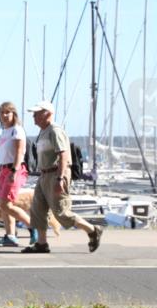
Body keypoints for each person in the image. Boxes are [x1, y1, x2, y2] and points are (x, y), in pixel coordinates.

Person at [22, 100, 102, 254]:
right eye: (34, 113)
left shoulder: (55, 131)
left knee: (61, 211)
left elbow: (64, 154)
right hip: (45, 174)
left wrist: (60, 178)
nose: (34, 116)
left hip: (56, 174)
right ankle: (41, 243)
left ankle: (92, 230)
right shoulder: (43, 132)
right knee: (38, 209)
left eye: (37, 113)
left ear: (48, 114)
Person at [0, 102, 36, 247]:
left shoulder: (17, 130)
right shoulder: (5, 131)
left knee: (7, 204)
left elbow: (19, 152)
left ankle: (33, 226)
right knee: (3, 205)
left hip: (14, 169)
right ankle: (10, 236)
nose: (4, 115)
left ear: (13, 114)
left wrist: (14, 171)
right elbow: (4, 155)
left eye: (7, 112)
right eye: (2, 113)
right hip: (4, 169)